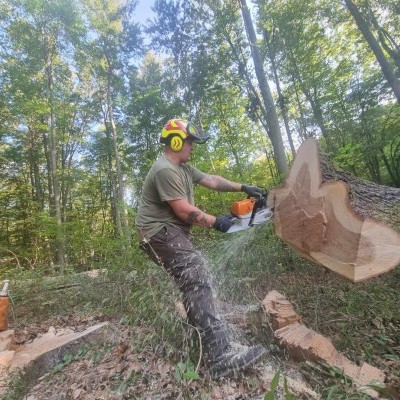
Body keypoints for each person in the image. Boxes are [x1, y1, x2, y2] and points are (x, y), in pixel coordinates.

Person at [135, 118, 266, 378]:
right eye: (190, 142)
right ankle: (219, 355)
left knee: (194, 280)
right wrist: (217, 222)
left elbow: (212, 180)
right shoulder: (165, 170)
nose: (193, 147)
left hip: (168, 232)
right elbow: (183, 211)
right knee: (196, 277)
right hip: (159, 232)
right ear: (175, 141)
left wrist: (243, 187)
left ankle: (205, 340)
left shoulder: (183, 167)